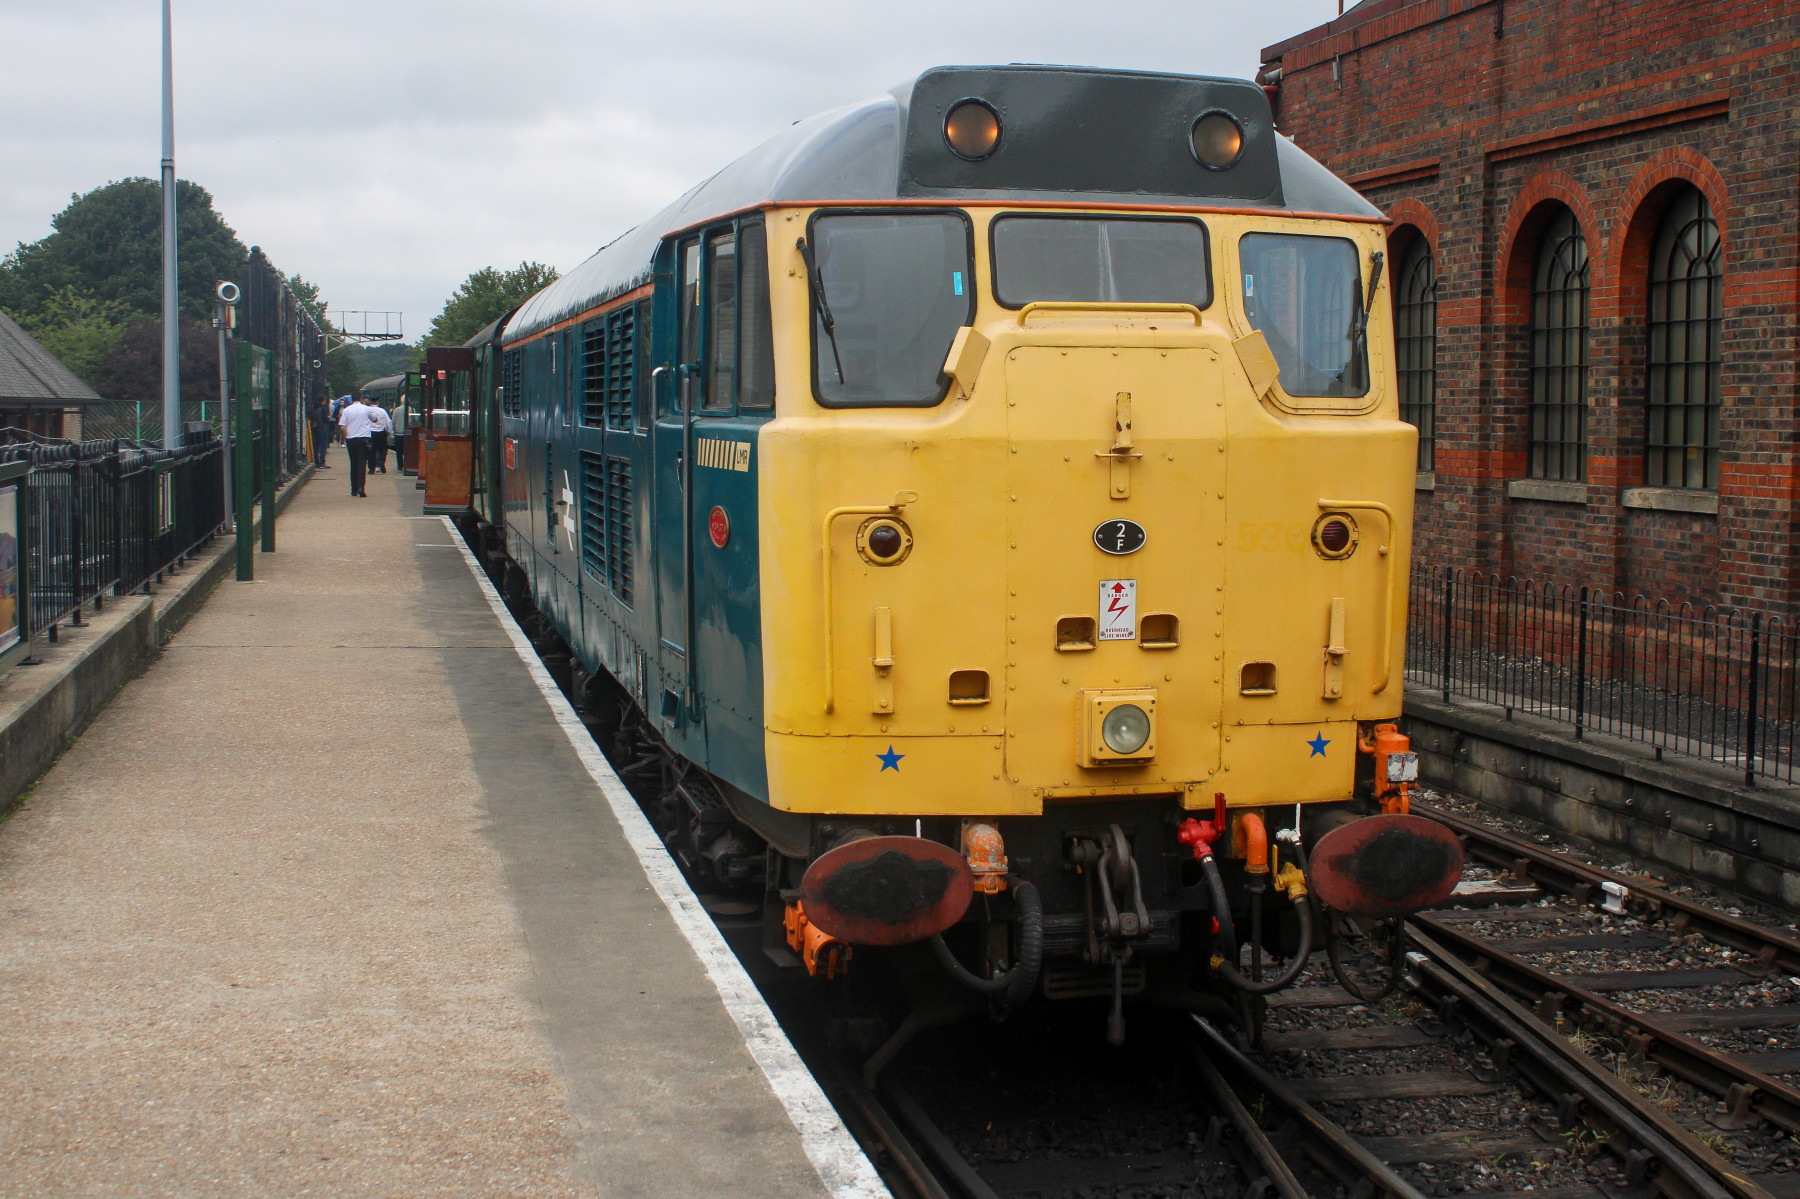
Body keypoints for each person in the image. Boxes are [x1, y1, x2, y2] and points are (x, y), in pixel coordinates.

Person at [338, 393, 376, 497]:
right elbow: (375, 419)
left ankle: (353, 489)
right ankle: (361, 487)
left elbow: (342, 427)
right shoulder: (366, 409)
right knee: (362, 464)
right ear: (361, 398)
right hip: (364, 438)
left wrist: (346, 438)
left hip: (351, 439)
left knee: (353, 463)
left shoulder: (347, 410)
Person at [367, 397, 394, 474]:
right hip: (381, 433)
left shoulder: (367, 410)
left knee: (371, 451)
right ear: (378, 402)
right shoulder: (382, 411)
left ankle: (371, 468)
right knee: (383, 449)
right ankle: (381, 463)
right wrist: (391, 432)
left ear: (370, 402)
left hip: (371, 433)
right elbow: (388, 422)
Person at [309, 397, 334, 468]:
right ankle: (322, 461)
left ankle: (316, 462)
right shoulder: (323, 408)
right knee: (324, 445)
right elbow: (325, 418)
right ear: (323, 401)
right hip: (322, 427)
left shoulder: (314, 408)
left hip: (315, 427)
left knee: (316, 445)